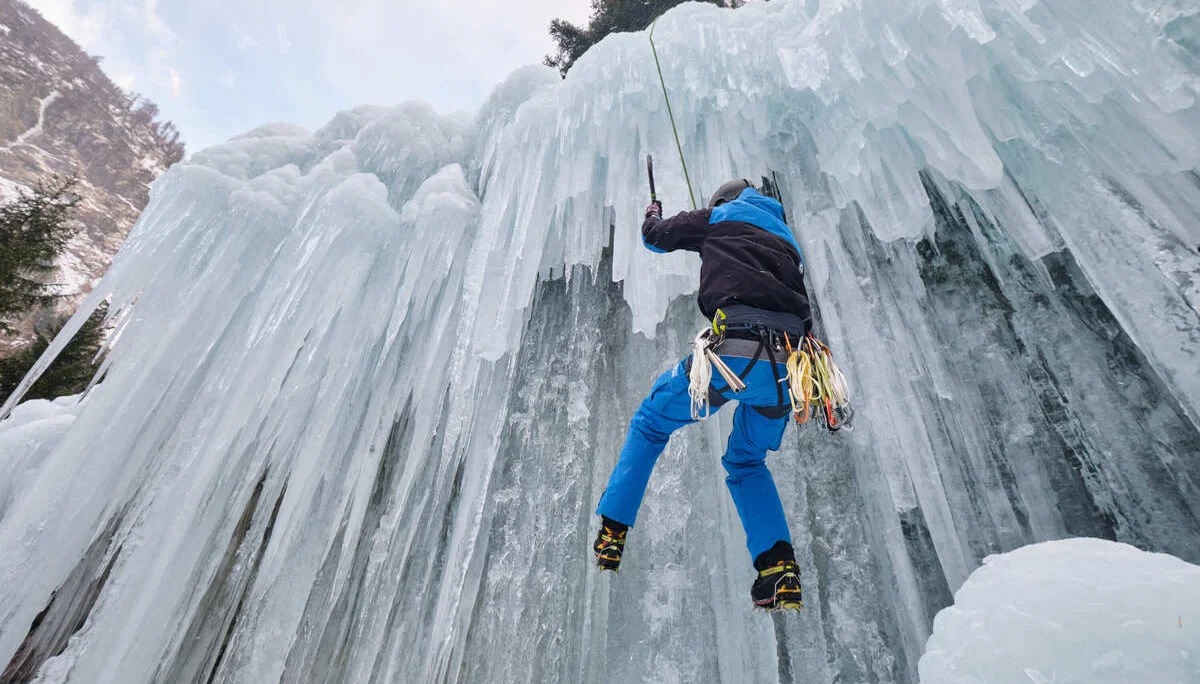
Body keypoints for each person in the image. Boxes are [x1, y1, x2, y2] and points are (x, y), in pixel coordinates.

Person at [592, 178, 811, 611]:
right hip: (790, 371)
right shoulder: (788, 243)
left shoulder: (718, 217)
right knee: (747, 460)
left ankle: (614, 529)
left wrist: (653, 211)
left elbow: (655, 239)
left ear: (724, 202)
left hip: (735, 354)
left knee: (652, 423)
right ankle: (777, 569)